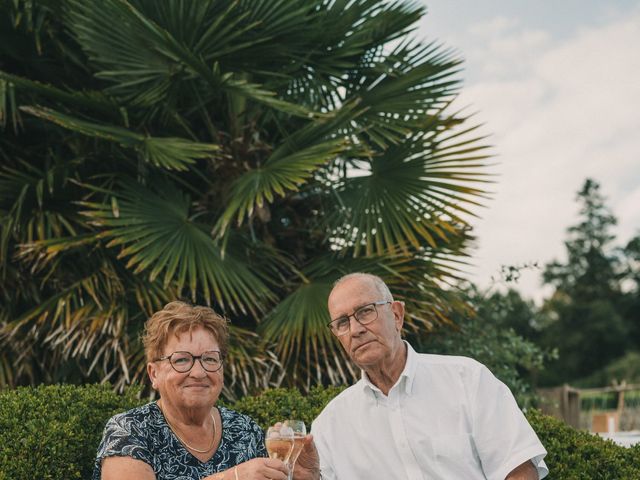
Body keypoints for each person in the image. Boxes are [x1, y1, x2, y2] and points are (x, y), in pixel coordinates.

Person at [295, 272, 548, 480]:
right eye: (342, 322)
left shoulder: (467, 379)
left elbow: (518, 470)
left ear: (396, 315)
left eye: (365, 312)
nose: (356, 329)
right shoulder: (330, 424)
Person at [94, 301, 289, 480]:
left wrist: (307, 475)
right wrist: (233, 477)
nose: (198, 372)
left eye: (210, 359)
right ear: (154, 374)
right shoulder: (129, 430)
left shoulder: (244, 430)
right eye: (181, 360)